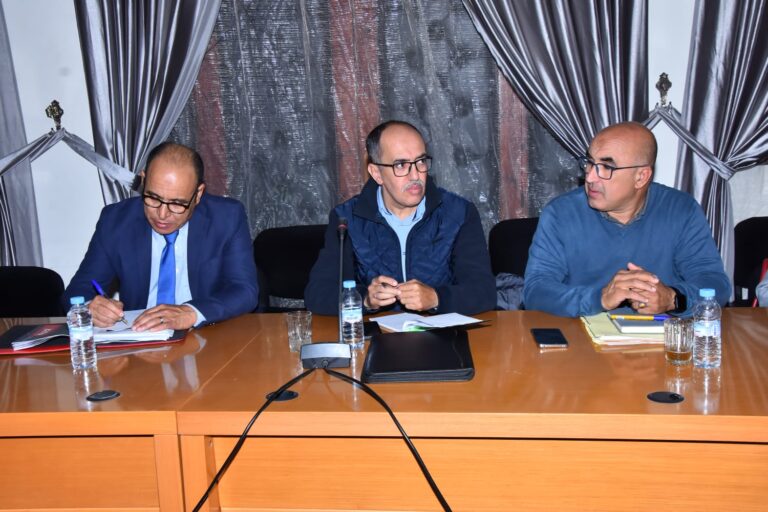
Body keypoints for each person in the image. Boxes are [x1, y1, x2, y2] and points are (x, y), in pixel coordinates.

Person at [523, 122, 730, 317]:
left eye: (607, 167)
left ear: (641, 177)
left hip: (661, 336)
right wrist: (600, 298)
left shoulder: (680, 210)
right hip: (581, 336)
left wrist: (672, 299)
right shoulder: (562, 213)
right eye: (589, 163)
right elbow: (536, 292)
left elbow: (715, 284)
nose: (590, 177)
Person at [304, 120, 496, 315]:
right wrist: (366, 299)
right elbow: (318, 294)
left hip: (442, 332)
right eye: (401, 165)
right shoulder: (347, 219)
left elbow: (484, 292)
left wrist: (436, 298)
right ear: (377, 173)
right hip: (375, 332)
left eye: (421, 161)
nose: (415, 176)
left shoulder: (458, 213)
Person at [64, 142, 259, 330]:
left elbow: (245, 291)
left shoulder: (226, 218)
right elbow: (76, 291)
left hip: (207, 335)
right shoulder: (116, 221)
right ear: (143, 180)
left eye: (177, 203)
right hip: (140, 337)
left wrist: (191, 313)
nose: (162, 214)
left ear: (198, 194)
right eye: (153, 198)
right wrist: (90, 307)